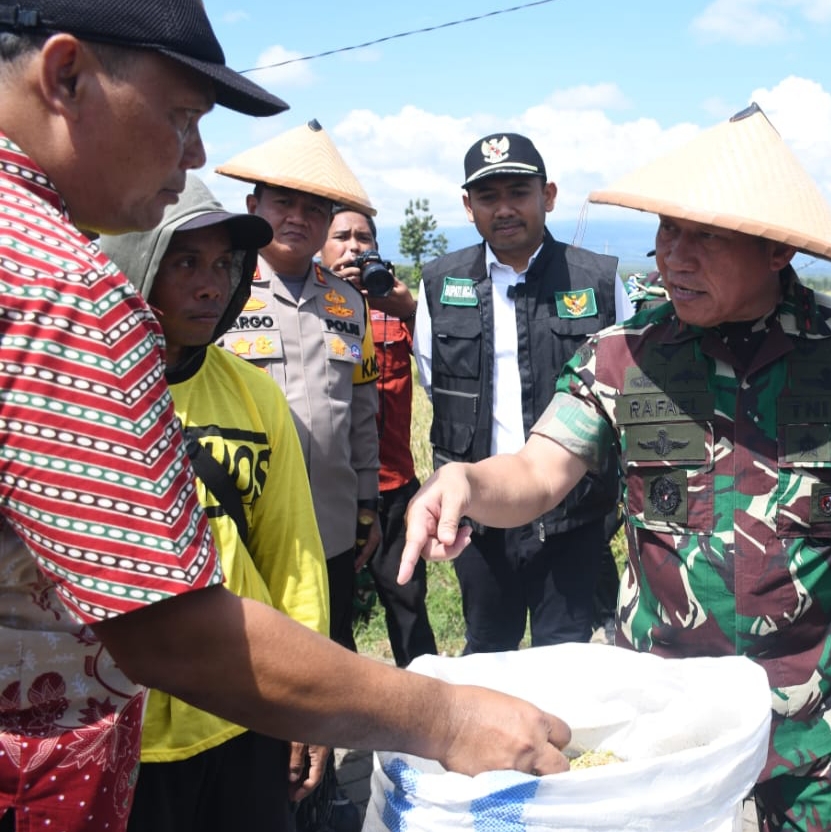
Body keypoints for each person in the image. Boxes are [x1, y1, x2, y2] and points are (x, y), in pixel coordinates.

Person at [0, 3, 568, 831]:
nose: (198, 154)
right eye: (184, 117)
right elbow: (168, 630)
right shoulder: (58, 286)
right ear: (65, 76)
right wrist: (445, 718)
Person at [403, 104, 831, 831]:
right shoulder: (624, 354)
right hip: (665, 719)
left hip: (820, 718)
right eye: (666, 231)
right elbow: (538, 472)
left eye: (705, 237)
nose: (672, 257)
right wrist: (465, 482)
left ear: (776, 250)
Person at [99, 174, 331, 831]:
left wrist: (305, 702)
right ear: (134, 263)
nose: (212, 284)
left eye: (227, 264)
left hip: (242, 705)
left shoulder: (255, 396)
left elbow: (293, 559)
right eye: (186, 263)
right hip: (118, 722)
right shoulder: (88, 395)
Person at [412, 132, 631, 653]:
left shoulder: (597, 280)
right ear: (469, 207)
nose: (504, 208)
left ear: (547, 196)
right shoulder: (440, 283)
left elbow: (625, 385)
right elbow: (431, 378)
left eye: (519, 192)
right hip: (480, 514)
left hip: (573, 512)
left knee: (565, 652)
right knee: (488, 649)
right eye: (489, 197)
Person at [215, 120, 382, 657]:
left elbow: (361, 412)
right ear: (252, 204)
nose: (298, 218)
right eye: (284, 202)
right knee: (250, 663)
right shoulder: (217, 291)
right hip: (245, 526)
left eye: (315, 210)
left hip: (330, 525)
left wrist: (367, 504)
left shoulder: (348, 303)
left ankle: (323, 746)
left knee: (331, 655)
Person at [321, 207, 437, 665]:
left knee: (408, 605)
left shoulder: (392, 309)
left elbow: (442, 363)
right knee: (333, 617)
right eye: (341, 236)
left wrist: (409, 309)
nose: (354, 247)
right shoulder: (303, 307)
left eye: (364, 237)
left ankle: (426, 713)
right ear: (320, 245)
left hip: (393, 490)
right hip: (330, 492)